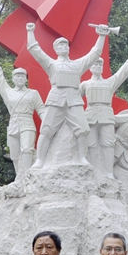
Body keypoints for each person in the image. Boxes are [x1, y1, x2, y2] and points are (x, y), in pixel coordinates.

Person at [26, 22, 110, 169]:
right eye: (61, 46)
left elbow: (94, 54)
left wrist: (102, 36)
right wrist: (30, 31)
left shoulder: (77, 65)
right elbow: (35, 50)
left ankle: (82, 158)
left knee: (83, 129)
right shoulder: (52, 64)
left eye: (66, 45)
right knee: (46, 130)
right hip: (56, 99)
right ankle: (40, 160)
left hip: (74, 100)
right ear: (56, 49)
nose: (64, 47)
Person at [0, 41, 47, 177]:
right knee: (14, 155)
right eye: (17, 76)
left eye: (22, 76)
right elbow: (0, 80)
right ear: (13, 78)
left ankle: (26, 177)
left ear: (26, 79)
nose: (20, 78)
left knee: (27, 149)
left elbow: (41, 109)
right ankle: (19, 178)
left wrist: (47, 122)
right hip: (13, 125)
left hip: (27, 124)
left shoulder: (33, 93)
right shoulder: (8, 92)